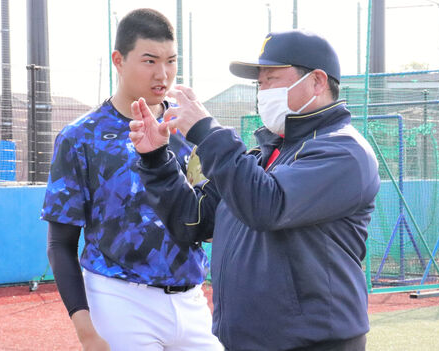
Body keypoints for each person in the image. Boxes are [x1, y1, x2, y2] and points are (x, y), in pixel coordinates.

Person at [129, 30, 381, 351]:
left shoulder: (344, 151)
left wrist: (208, 132)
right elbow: (191, 222)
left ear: (317, 82)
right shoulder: (264, 156)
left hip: (314, 344)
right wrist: (155, 159)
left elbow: (267, 206)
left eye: (271, 80)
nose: (262, 92)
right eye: (260, 84)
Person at [41, 8, 222, 351]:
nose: (163, 74)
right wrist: (86, 331)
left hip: (191, 299)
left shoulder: (186, 127)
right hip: (118, 298)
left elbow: (206, 220)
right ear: (119, 60)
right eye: (150, 61)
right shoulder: (80, 137)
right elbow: (60, 244)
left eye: (171, 61)